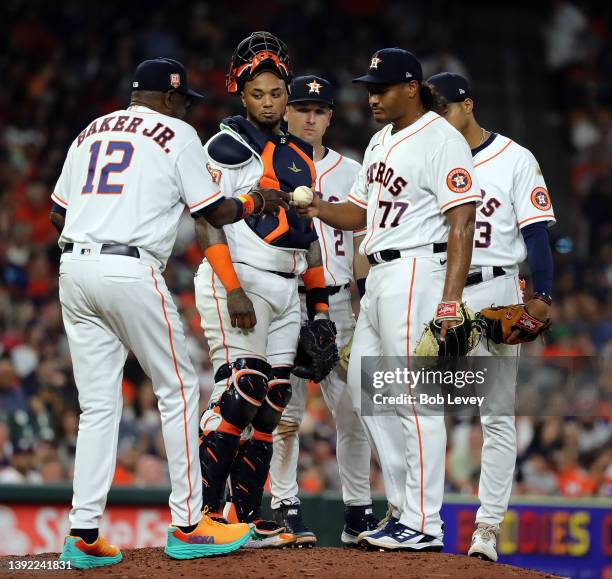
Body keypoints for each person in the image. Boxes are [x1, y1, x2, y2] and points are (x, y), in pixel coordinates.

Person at [49, 57, 288, 569]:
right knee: (178, 388)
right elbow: (215, 212)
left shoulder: (91, 130)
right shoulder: (177, 132)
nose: (185, 108)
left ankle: (84, 531)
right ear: (171, 97)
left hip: (74, 267)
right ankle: (188, 523)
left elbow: (56, 213)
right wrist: (257, 200)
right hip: (130, 269)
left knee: (97, 407)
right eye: (184, 99)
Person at [299, 48, 480, 551]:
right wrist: (315, 203)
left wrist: (449, 303)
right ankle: (403, 510)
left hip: (418, 268)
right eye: (369, 88)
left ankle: (425, 522)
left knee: (413, 401)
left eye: (381, 88)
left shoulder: (442, 140)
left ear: (412, 88)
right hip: (378, 276)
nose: (372, 97)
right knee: (367, 392)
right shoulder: (380, 140)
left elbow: (461, 222)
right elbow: (358, 214)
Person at [194, 32, 333, 549]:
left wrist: (319, 309)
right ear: (241, 93)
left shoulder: (298, 152)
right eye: (259, 93)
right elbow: (206, 219)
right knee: (242, 389)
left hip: (287, 284)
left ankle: (244, 516)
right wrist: (232, 290)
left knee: (273, 402)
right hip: (242, 279)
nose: (270, 102)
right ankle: (204, 516)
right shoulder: (226, 144)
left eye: (277, 92)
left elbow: (309, 235)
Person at [427, 72, 555, 562]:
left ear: (468, 105)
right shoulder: (430, 156)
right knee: (412, 406)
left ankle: (486, 528)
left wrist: (541, 293)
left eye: (443, 110)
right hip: (440, 289)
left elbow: (538, 230)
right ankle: (416, 517)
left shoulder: (516, 158)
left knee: (497, 416)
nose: (436, 120)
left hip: (499, 289)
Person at [268, 75, 378, 547]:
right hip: (287, 299)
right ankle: (284, 505)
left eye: (320, 109)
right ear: (286, 112)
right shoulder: (269, 165)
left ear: (330, 117)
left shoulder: (352, 171)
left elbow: (360, 244)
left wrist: (365, 299)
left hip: (338, 303)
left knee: (355, 412)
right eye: (302, 108)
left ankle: (358, 511)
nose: (310, 117)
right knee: (285, 414)